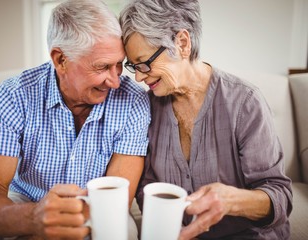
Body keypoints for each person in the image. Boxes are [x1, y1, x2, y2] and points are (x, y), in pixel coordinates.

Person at [0, 1, 150, 239]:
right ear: (61, 60)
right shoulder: (13, 95)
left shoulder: (134, 100)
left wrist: (66, 221)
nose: (115, 81)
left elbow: (117, 195)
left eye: (119, 65)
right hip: (25, 199)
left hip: (103, 205)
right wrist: (32, 217)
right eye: (102, 67)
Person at [119, 0, 292, 239]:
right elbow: (146, 189)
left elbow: (280, 195)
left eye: (145, 63)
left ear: (182, 43)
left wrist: (232, 201)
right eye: (133, 66)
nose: (138, 77)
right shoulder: (146, 107)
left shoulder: (244, 102)